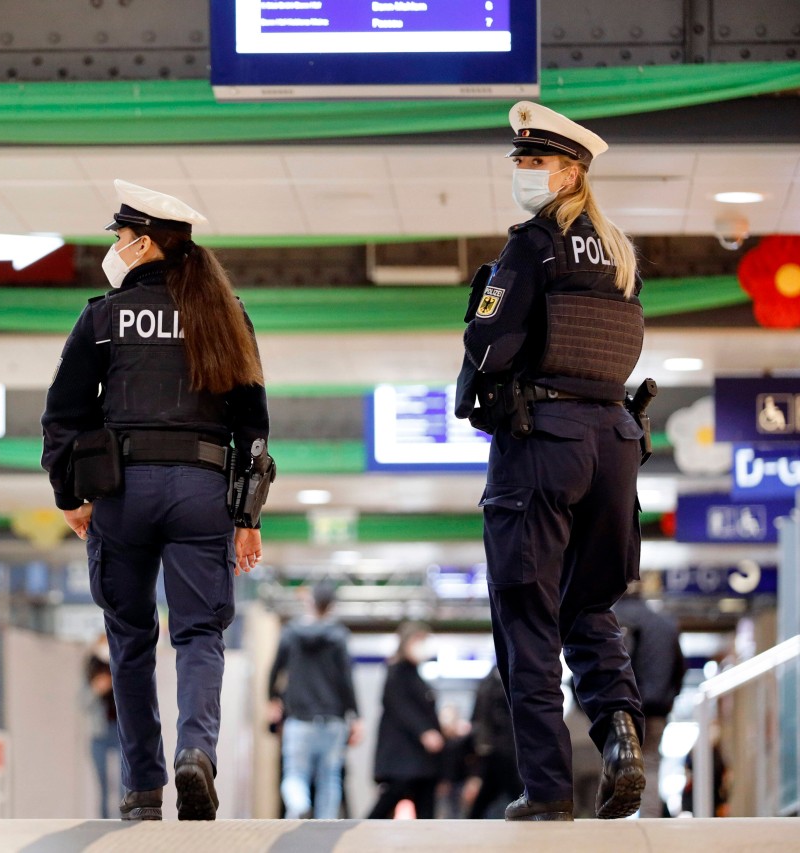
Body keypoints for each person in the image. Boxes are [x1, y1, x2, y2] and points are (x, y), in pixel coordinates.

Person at [41, 180, 271, 821]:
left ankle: (143, 789)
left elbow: (62, 415)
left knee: (130, 638)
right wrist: (247, 517)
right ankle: (196, 753)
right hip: (201, 493)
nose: (113, 247)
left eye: (120, 237)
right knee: (200, 633)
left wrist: (71, 495)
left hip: (123, 492)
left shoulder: (102, 317)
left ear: (143, 245)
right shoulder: (226, 315)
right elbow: (252, 425)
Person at [455, 100, 648, 821]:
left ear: (571, 172)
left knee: (526, 613)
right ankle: (621, 732)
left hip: (543, 442)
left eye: (535, 162)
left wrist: (479, 321)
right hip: (614, 442)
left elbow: (492, 344)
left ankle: (548, 790)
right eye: (521, 161)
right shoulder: (622, 254)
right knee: (589, 605)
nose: (523, 173)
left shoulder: (532, 245)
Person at [267, 580, 362, 819]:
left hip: (299, 719)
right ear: (331, 606)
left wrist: (272, 699)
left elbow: (274, 671)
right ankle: (324, 828)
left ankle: (299, 807)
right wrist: (357, 716)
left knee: (295, 775)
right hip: (333, 720)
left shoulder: (290, 634)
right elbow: (346, 680)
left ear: (309, 601)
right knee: (330, 778)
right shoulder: (339, 637)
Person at [615, 592, 685, 817]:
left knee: (613, 763)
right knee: (650, 764)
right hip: (656, 709)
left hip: (620, 708)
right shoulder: (665, 624)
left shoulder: (612, 620)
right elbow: (679, 670)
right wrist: (669, 698)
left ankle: (613, 823)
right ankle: (650, 822)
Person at [368, 622, 443, 819]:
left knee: (426, 814)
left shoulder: (415, 674)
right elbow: (400, 706)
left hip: (420, 764)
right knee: (385, 808)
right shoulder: (397, 672)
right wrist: (424, 731)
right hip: (402, 761)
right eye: (419, 640)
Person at [466, 665, 521, 819]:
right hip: (503, 748)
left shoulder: (487, 682)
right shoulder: (501, 682)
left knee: (487, 793)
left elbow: (477, 718)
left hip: (494, 748)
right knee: (515, 790)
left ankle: (470, 821)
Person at [85, 636, 121, 819]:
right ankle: (104, 822)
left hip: (120, 731)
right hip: (99, 732)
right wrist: (96, 689)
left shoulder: (120, 664)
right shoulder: (91, 669)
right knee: (103, 784)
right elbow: (82, 703)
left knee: (125, 782)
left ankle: (125, 819)